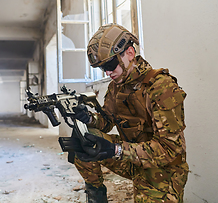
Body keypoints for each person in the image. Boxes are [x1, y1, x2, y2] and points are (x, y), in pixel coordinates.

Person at [72, 23, 189, 203]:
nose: (109, 72)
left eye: (110, 64)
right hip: (131, 158)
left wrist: (116, 150)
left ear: (130, 53)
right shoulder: (116, 87)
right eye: (103, 68)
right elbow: (107, 120)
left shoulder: (161, 87)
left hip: (162, 170)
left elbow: (170, 150)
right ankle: (96, 197)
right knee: (84, 139)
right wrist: (89, 118)